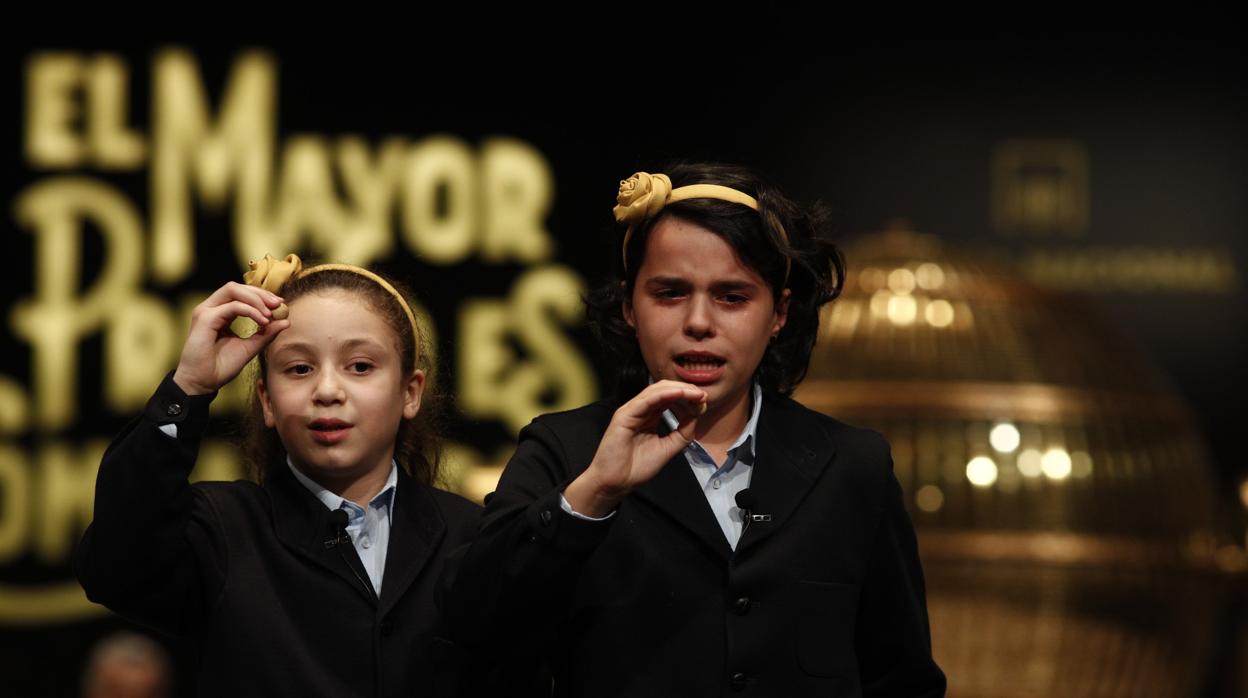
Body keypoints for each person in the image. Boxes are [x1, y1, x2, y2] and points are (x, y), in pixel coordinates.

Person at [445, 163, 946, 696]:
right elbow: (472, 629)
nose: (700, 322)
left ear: (778, 313)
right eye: (669, 293)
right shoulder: (564, 452)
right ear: (628, 307)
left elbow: (902, 676)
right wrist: (593, 496)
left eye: (732, 297)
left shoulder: (853, 465)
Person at [75, 255, 480, 697]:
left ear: (410, 391)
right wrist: (189, 386)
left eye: (360, 366)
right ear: (266, 400)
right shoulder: (223, 532)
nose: (327, 391)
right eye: (299, 369)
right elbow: (114, 566)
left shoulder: (471, 538)